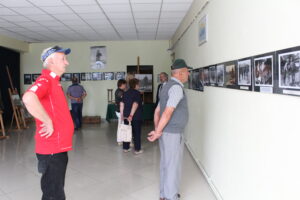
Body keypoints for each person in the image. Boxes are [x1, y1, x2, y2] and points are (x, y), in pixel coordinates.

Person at [22, 46, 74, 200]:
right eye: (63, 59)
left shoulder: (54, 81)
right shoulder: (45, 79)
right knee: (54, 194)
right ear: (50, 62)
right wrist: (47, 121)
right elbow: (28, 98)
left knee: (55, 190)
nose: (67, 62)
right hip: (52, 149)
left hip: (58, 147)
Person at [148, 59, 192, 200]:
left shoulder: (166, 86)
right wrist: (158, 132)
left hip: (165, 133)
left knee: (166, 164)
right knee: (172, 165)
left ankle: (164, 194)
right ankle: (172, 196)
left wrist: (157, 130)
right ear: (180, 73)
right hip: (172, 134)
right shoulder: (176, 88)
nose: (188, 74)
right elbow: (167, 112)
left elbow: (157, 112)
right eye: (187, 72)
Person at [120, 78, 143, 154]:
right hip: (135, 116)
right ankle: (137, 149)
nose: (139, 85)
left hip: (126, 116)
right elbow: (135, 104)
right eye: (138, 84)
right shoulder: (137, 93)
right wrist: (131, 115)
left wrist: (122, 115)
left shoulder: (125, 93)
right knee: (136, 133)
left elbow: (122, 104)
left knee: (126, 131)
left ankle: (126, 148)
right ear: (136, 85)